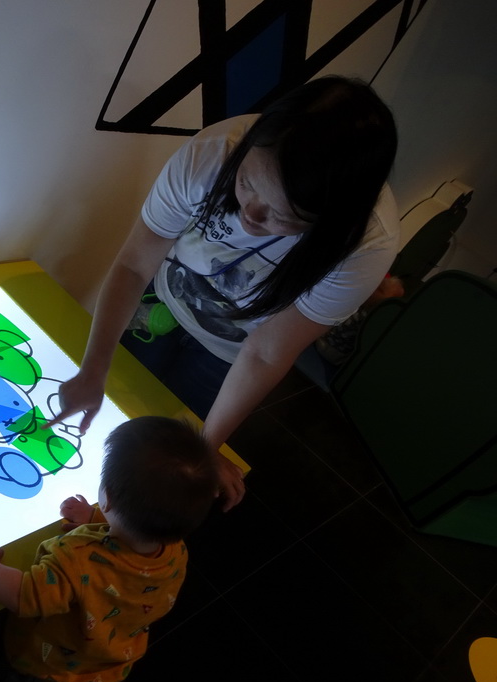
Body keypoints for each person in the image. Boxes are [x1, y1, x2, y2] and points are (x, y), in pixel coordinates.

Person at [49, 76, 400, 511]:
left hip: (233, 351)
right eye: (249, 182)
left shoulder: (364, 247)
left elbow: (267, 352)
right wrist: (92, 371)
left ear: (331, 219)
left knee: (168, 453)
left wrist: (205, 450)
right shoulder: (212, 152)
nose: (251, 214)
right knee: (123, 403)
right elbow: (135, 264)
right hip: (161, 303)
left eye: (282, 215)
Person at [0, 416, 217, 682]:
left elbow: (24, 594)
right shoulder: (174, 551)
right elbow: (131, 545)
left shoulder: (75, 559)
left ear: (107, 497)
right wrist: (96, 517)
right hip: (102, 676)